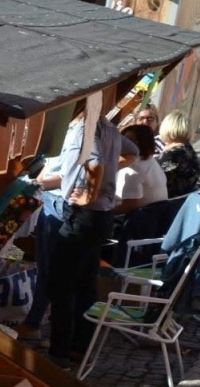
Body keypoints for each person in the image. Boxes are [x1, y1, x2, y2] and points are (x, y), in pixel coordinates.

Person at [37, 104, 130, 363]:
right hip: (102, 215)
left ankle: (59, 353)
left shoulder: (83, 130)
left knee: (61, 285)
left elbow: (96, 163)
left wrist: (88, 194)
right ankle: (79, 346)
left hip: (85, 216)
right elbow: (130, 152)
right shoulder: (109, 127)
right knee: (85, 284)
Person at [115, 124, 168, 213]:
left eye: (130, 140)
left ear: (143, 142)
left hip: (140, 220)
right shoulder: (150, 161)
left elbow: (129, 206)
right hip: (159, 217)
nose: (123, 143)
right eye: (123, 139)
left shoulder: (133, 169)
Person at [157, 110, 200, 198]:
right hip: (185, 198)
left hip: (169, 201)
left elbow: (155, 178)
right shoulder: (188, 149)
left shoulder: (172, 154)